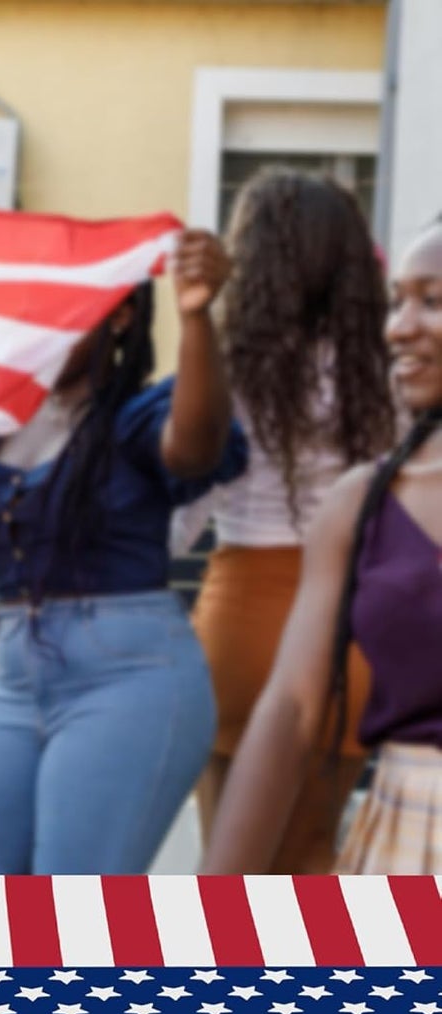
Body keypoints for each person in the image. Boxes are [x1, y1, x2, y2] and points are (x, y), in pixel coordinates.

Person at [0, 231, 248, 875]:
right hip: (16, 682)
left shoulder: (133, 419)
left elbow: (196, 449)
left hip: (130, 681)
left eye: (63, 312)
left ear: (120, 317)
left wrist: (197, 317)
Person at [203, 216, 442, 875]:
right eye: (397, 301)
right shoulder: (359, 502)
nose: (398, 327)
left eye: (432, 300)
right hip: (404, 837)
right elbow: (290, 704)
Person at [173, 170, 394, 873]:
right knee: (307, 866)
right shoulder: (388, 378)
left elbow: (175, 527)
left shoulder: (225, 372)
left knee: (229, 874)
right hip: (349, 637)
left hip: (238, 627)